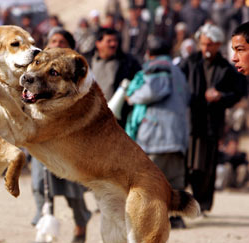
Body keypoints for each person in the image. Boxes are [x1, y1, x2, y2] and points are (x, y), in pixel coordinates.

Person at [29, 27, 91, 243]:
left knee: (71, 188)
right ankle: (44, 233)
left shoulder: (76, 72)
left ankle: (81, 222)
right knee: (39, 185)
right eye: (52, 40)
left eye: (61, 41)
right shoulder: (34, 68)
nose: (56, 44)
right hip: (40, 138)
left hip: (68, 139)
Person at [180, 24, 247, 213]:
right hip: (190, 121)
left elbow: (238, 91)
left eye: (210, 45)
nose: (205, 49)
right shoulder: (190, 62)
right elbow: (178, 82)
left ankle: (203, 205)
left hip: (211, 123)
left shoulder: (226, 67)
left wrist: (221, 97)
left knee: (206, 167)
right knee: (187, 166)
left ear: (218, 44)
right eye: (203, 44)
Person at [126, 36, 191, 228]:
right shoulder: (178, 71)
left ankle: (149, 219)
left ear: (149, 53)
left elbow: (153, 91)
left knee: (150, 179)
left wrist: (132, 97)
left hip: (157, 133)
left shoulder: (158, 67)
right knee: (175, 178)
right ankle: (176, 217)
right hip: (177, 135)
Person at [90, 27, 141, 127]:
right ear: (98, 43)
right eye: (109, 41)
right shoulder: (87, 62)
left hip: (117, 120)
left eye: (115, 41)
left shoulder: (128, 63)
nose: (113, 44)